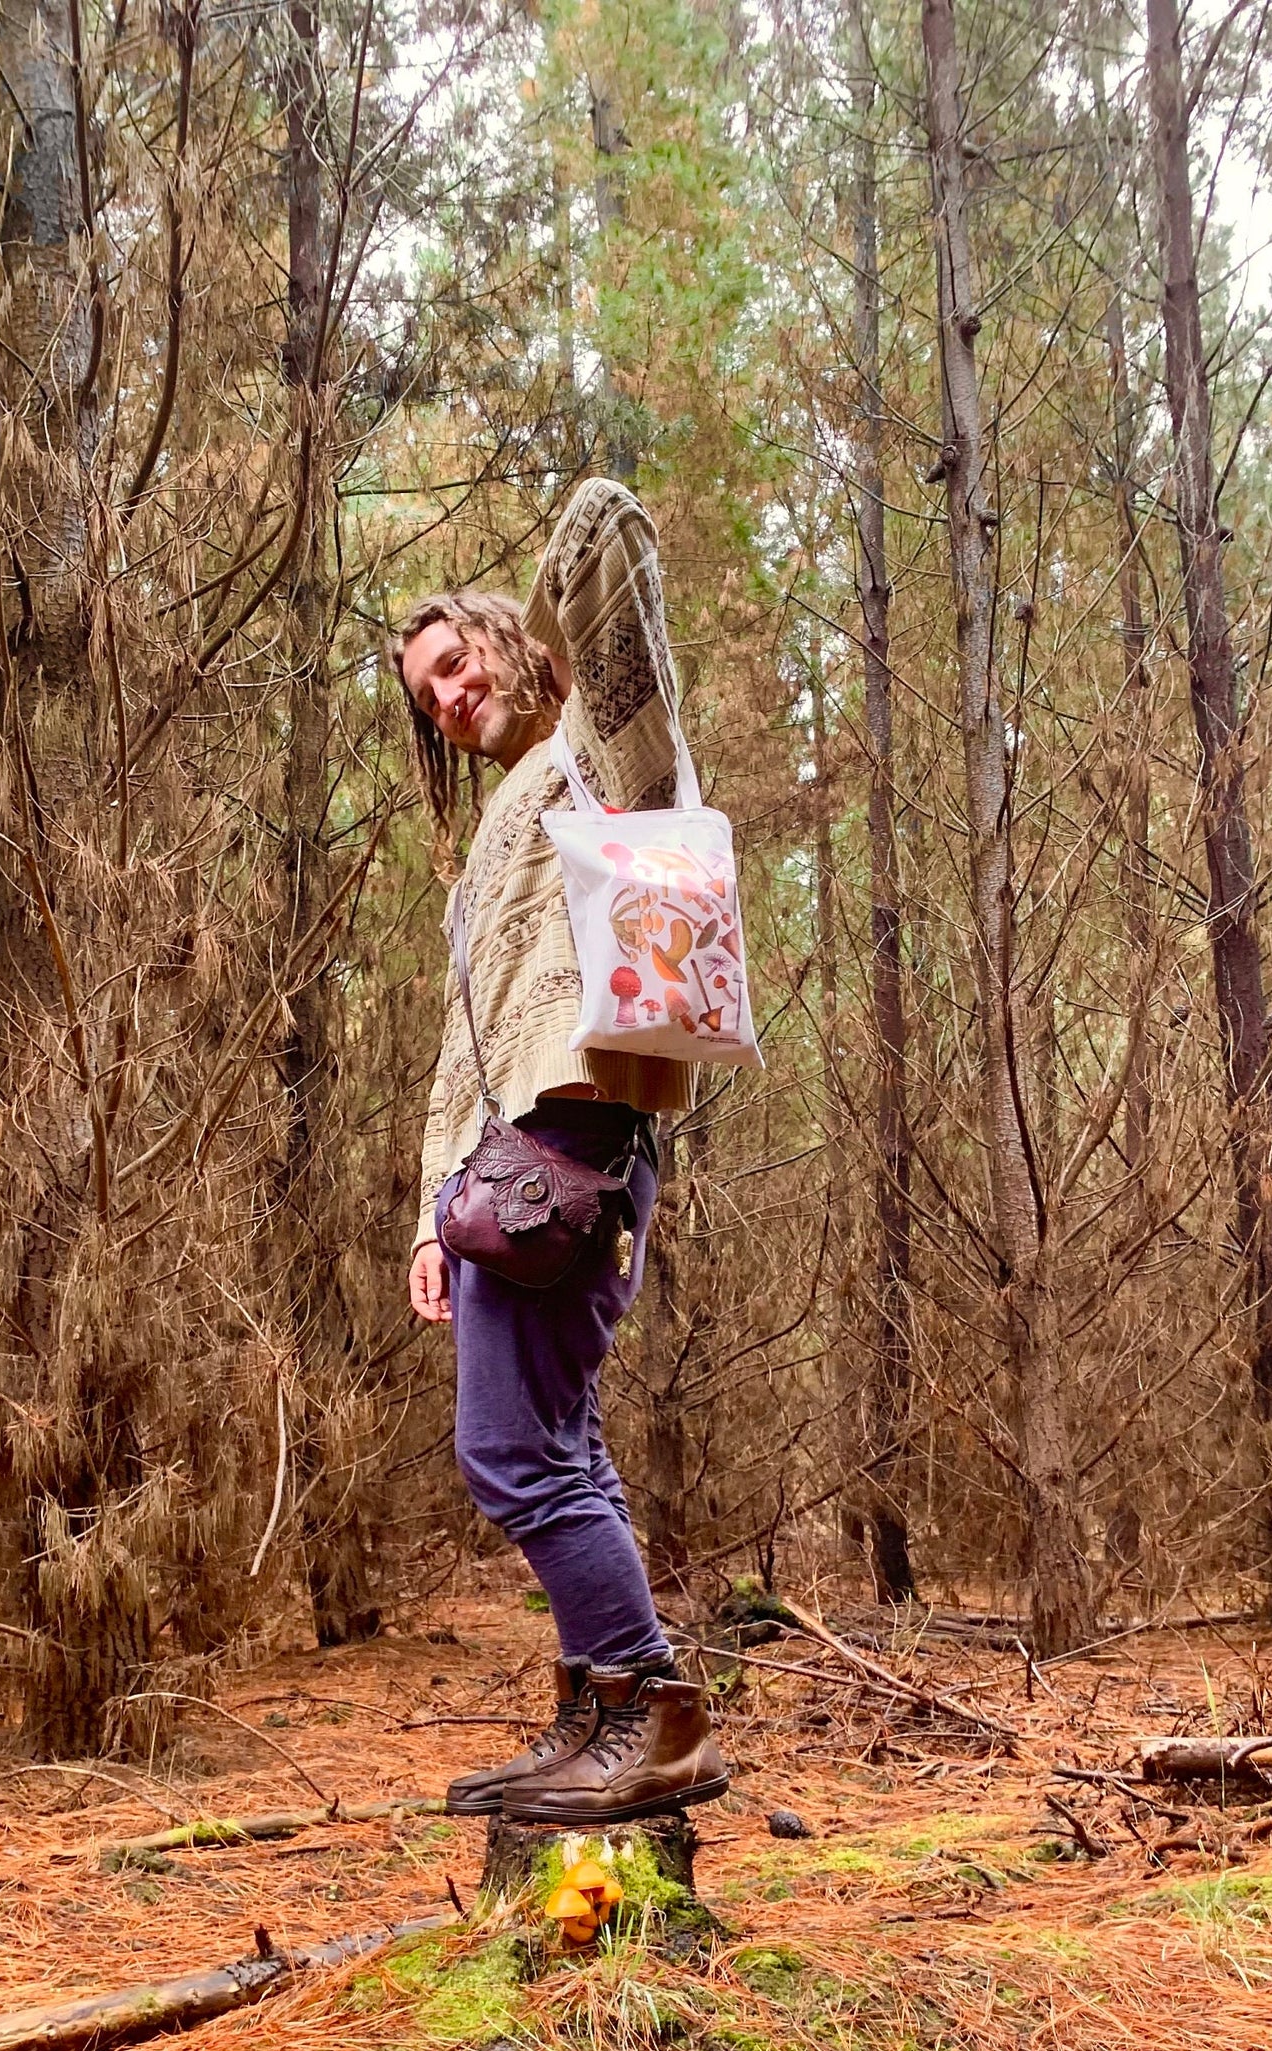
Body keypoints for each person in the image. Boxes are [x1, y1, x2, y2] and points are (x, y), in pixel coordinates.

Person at [395, 477, 729, 1827]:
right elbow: (464, 1045)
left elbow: (605, 542)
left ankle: (649, 1712)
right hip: (504, 1166)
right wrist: (429, 1210)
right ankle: (598, 1718)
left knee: (506, 1455)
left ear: (507, 637)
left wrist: (538, 623)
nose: (446, 698)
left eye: (453, 662)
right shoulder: (490, 832)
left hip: (567, 1142)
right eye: (424, 697)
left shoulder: (599, 754)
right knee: (554, 1444)